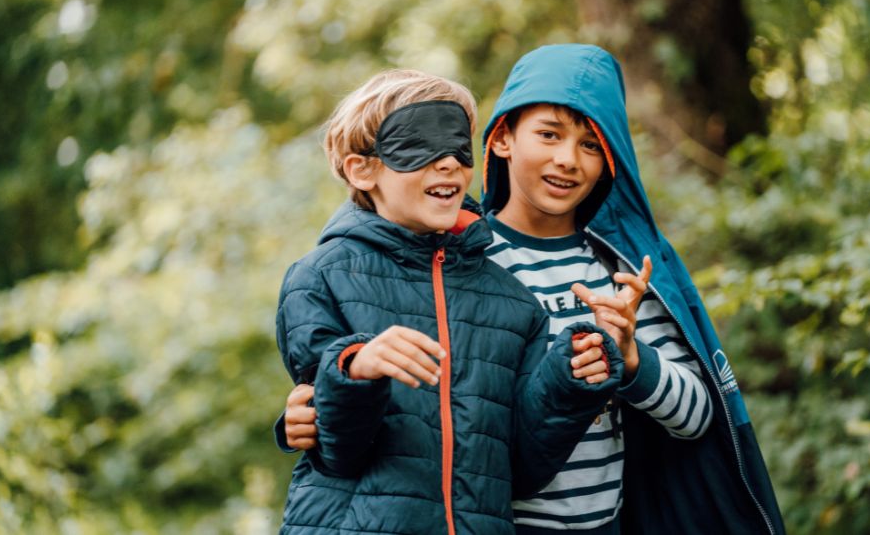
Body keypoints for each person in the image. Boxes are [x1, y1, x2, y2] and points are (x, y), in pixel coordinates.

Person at [283, 45, 787, 535]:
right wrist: (311, 408)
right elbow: (359, 358)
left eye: (591, 145)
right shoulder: (461, 256)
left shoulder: (621, 271)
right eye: (549, 134)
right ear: (502, 139)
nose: (568, 159)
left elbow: (697, 416)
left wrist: (630, 360)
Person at [273, 68, 629, 535]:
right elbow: (337, 451)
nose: (448, 165)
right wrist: (355, 368)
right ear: (364, 168)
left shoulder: (511, 302)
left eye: (459, 148)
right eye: (420, 145)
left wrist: (569, 381)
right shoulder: (319, 279)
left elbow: (521, 472)